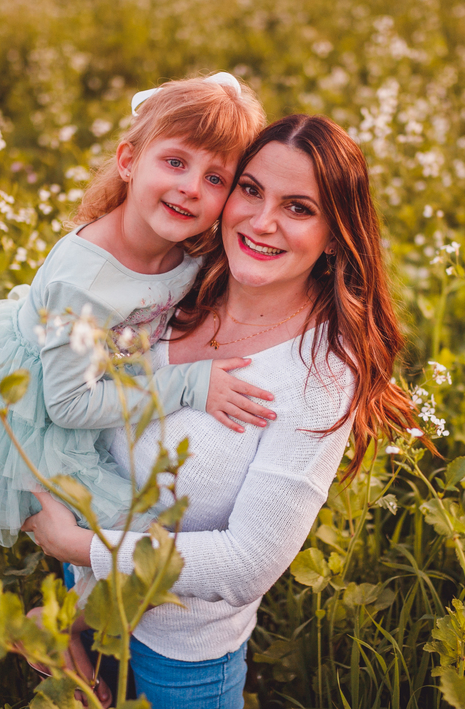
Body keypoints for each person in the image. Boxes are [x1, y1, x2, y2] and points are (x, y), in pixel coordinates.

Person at [22, 114, 418, 708]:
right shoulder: (169, 286)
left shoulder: (321, 372)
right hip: (84, 596)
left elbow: (245, 563)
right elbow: (41, 388)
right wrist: (63, 607)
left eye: (299, 208)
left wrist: (75, 543)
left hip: (178, 656)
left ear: (336, 235)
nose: (261, 222)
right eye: (250, 190)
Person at [0, 72, 273, 554]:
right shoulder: (84, 283)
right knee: (137, 540)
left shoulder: (191, 248)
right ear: (128, 161)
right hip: (48, 417)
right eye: (175, 162)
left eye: (215, 178)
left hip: (103, 376)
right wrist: (187, 384)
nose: (191, 188)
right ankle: (72, 594)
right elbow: (68, 404)